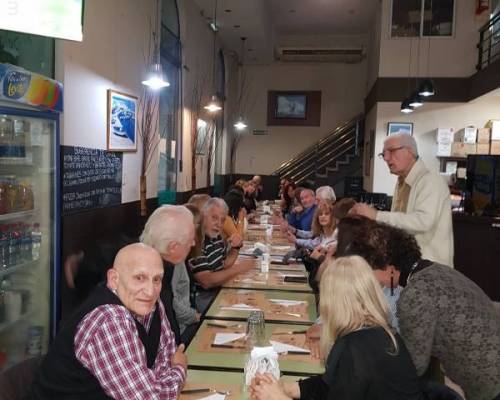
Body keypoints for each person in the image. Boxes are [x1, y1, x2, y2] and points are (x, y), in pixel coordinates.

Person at [336, 217, 500, 400]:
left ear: (390, 269)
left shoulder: (416, 294)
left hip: (491, 383)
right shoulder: (436, 271)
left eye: (370, 272)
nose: (371, 280)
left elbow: (412, 366)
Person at [250, 255, 423, 400]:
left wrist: (279, 398)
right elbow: (332, 384)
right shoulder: (379, 332)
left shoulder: (354, 348)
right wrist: (289, 388)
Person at [27, 243, 187, 399]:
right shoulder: (108, 319)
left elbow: (166, 354)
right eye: (139, 278)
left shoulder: (148, 301)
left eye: (157, 279)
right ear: (114, 279)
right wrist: (179, 369)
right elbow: (147, 396)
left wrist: (159, 381)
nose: (150, 290)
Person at [350, 133, 454, 266]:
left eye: (391, 151)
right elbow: (399, 226)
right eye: (383, 154)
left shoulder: (431, 180)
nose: (387, 158)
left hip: (430, 269)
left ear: (409, 151)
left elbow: (422, 222)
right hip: (409, 265)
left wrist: (376, 215)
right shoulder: (402, 182)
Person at [139, 205, 197, 344]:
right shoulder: (146, 279)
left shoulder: (163, 266)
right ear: (173, 247)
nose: (194, 243)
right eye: (190, 240)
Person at [188, 198, 253, 313]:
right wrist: (239, 269)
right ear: (203, 215)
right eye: (214, 218)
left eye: (222, 220)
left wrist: (236, 247)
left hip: (219, 291)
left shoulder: (216, 238)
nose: (218, 224)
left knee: (251, 302)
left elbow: (224, 264)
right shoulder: (196, 241)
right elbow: (206, 281)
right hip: (202, 298)